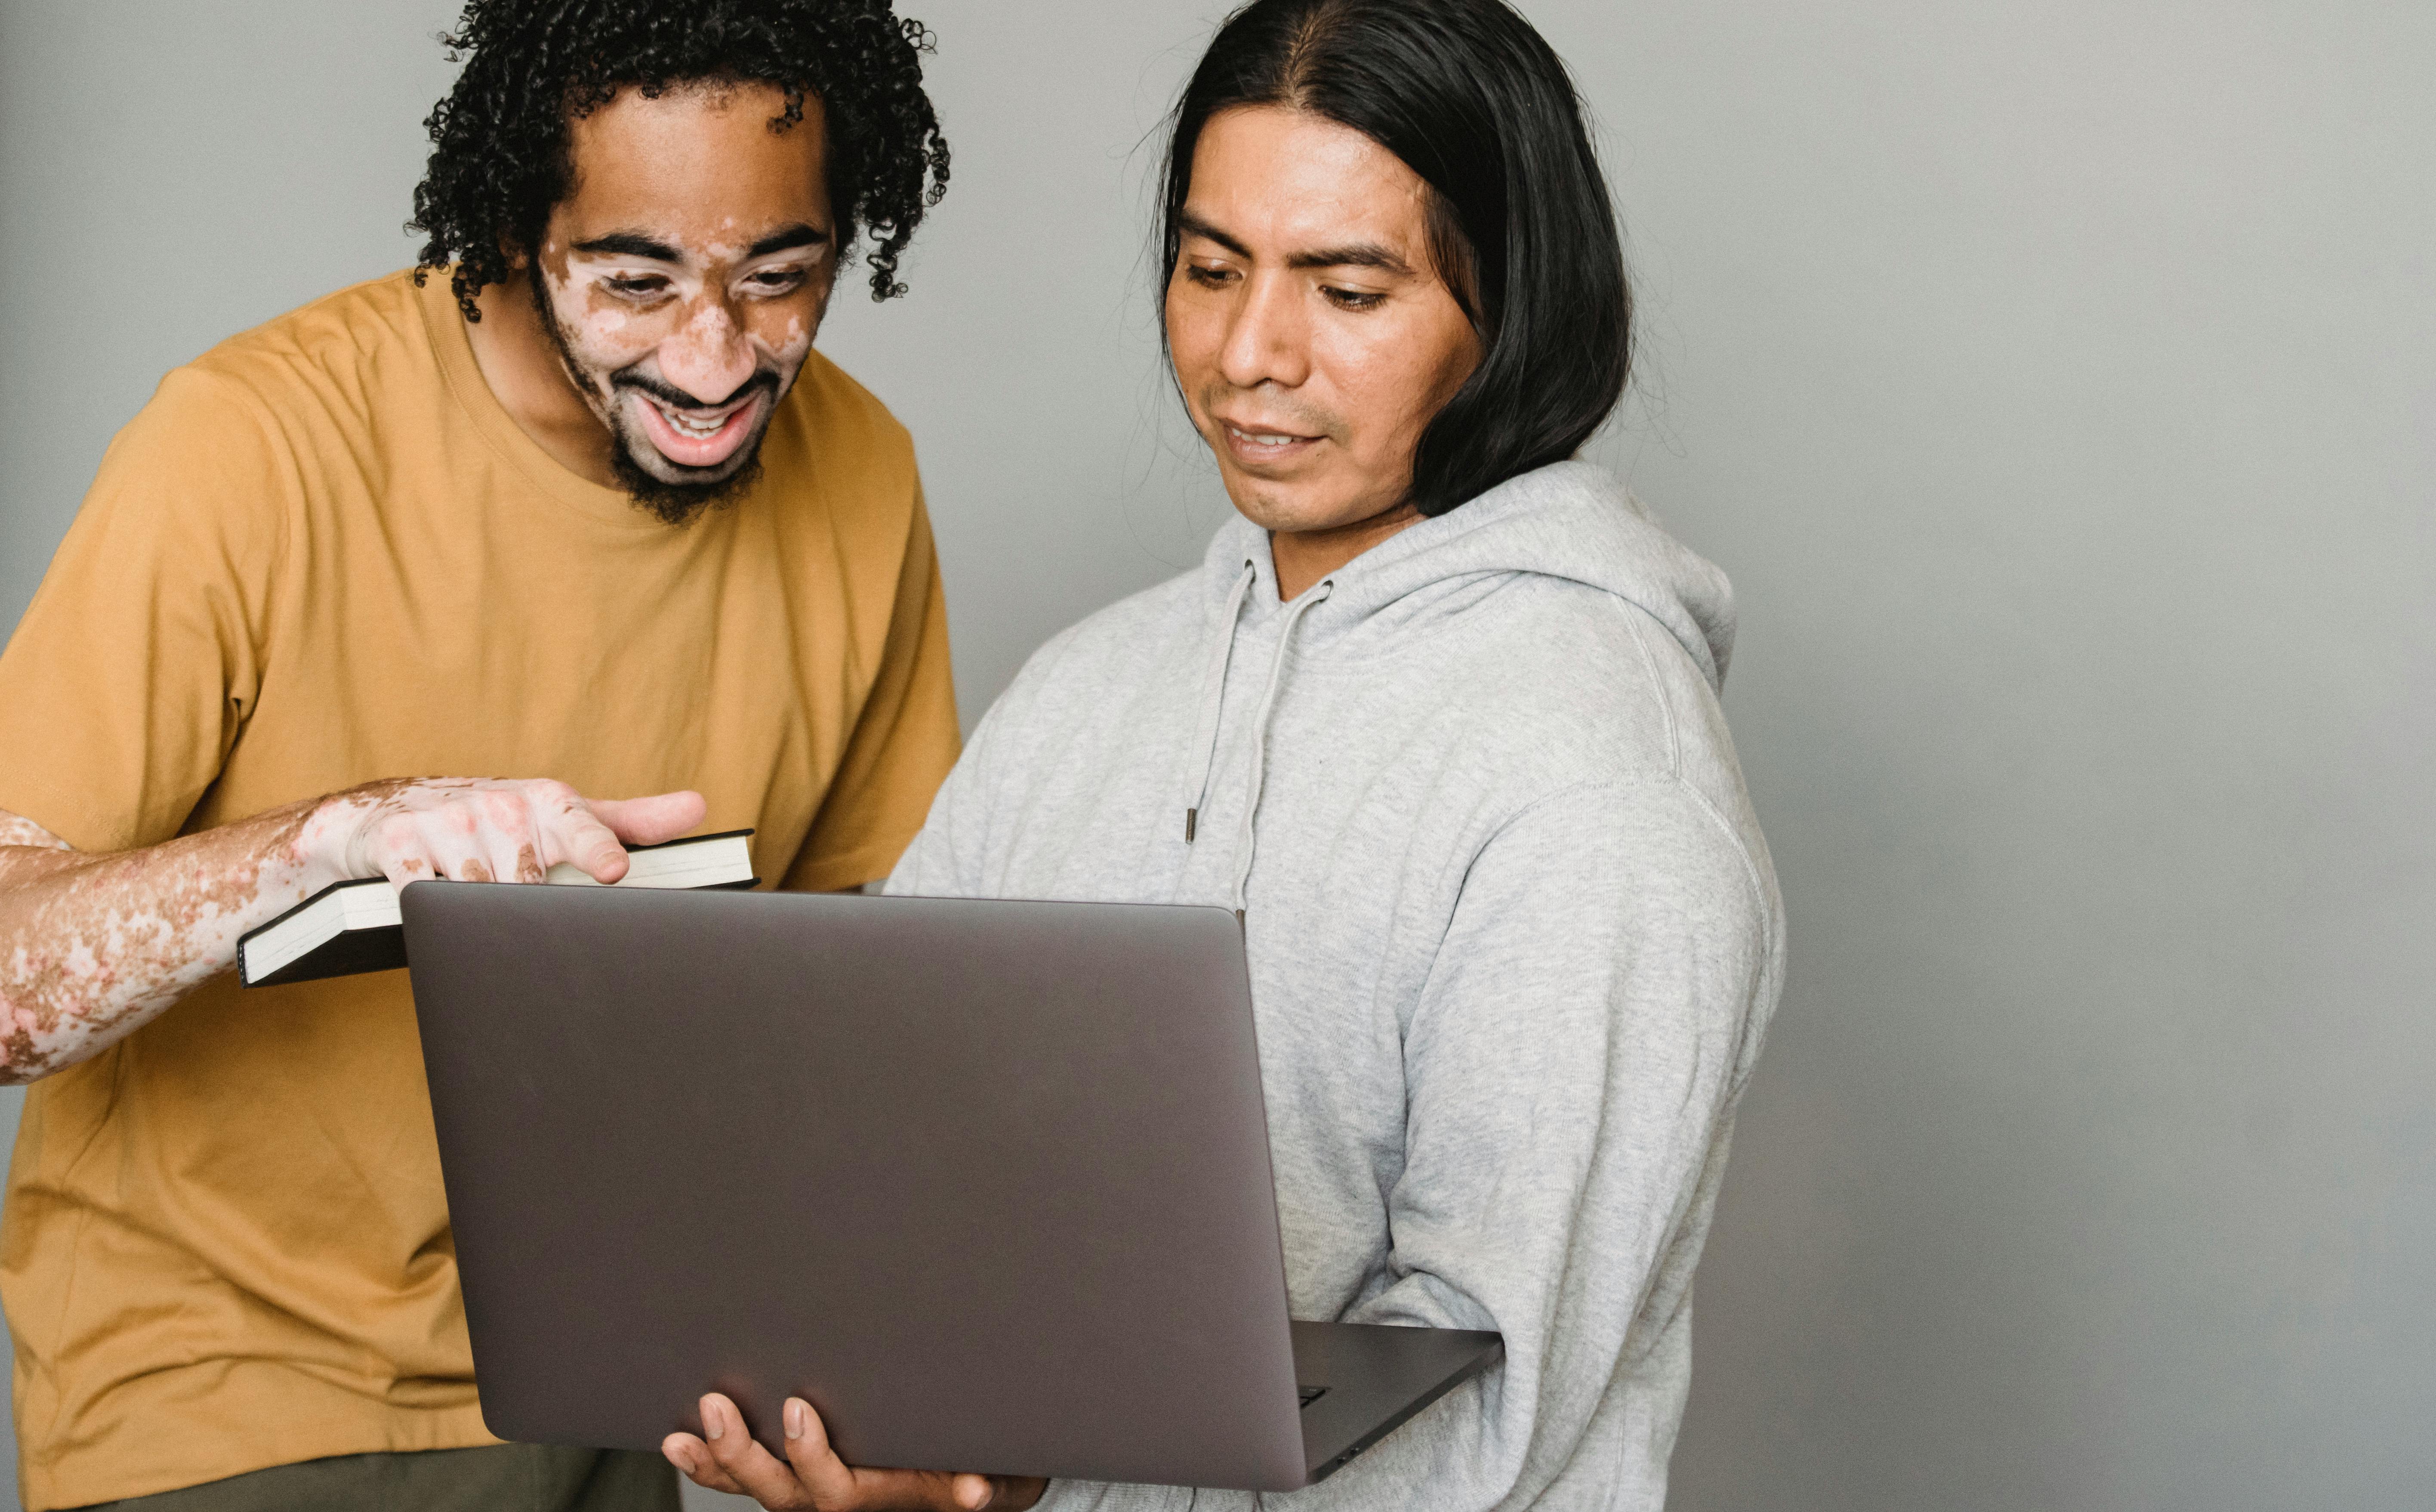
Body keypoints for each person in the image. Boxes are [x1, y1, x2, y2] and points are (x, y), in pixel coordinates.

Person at [666, 0, 1785, 1509]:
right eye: (1209, 269)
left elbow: (1486, 1399)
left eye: (1349, 287)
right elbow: (896, 1144)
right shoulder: (1086, 689)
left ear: (1510, 308)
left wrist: (1024, 1489)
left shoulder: (1599, 775)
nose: (1250, 353)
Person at [0, 2, 963, 1507]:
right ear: (516, 228)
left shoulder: (867, 473)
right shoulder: (246, 444)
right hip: (221, 1395)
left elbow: (859, 989)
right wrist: (330, 842)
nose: (716, 362)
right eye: (635, 281)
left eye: (781, 277)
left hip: (617, 1393)